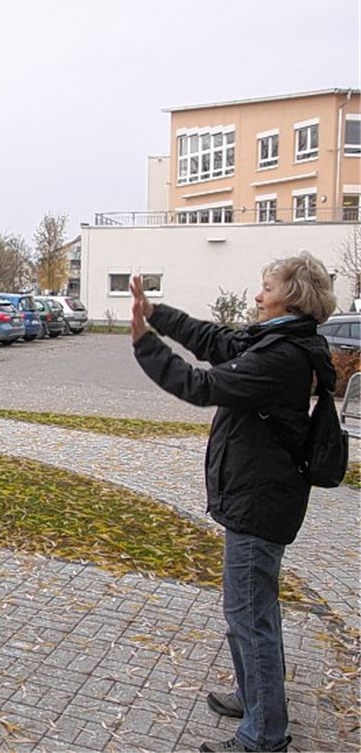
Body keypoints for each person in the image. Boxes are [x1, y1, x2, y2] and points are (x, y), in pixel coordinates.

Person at [129, 252, 337, 753]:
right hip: (255, 496)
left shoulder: (283, 357)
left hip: (260, 503)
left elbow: (203, 385)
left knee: (250, 616)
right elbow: (216, 341)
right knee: (247, 610)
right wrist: (156, 313)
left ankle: (264, 734)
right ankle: (254, 698)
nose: (257, 295)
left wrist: (144, 345)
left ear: (291, 295)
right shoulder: (278, 339)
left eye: (266, 287)